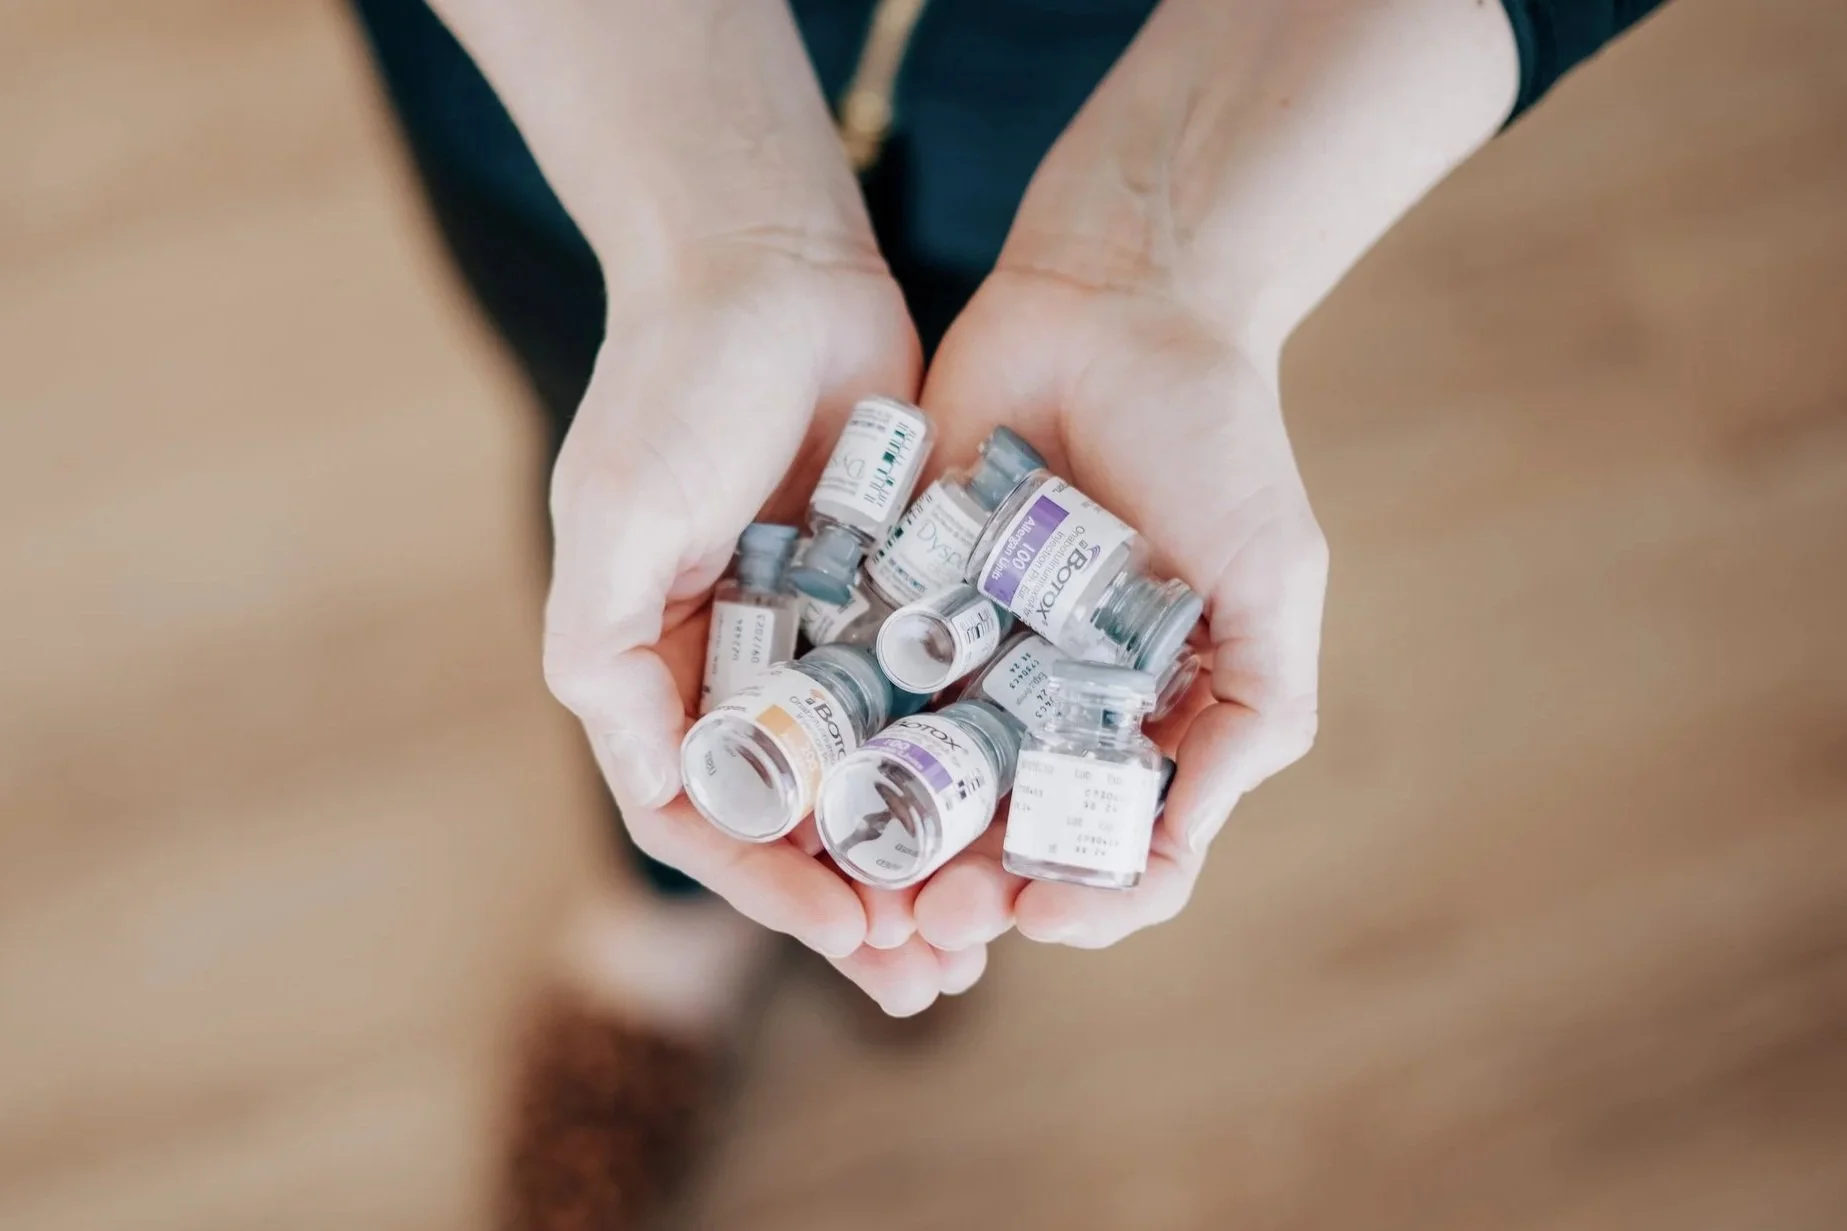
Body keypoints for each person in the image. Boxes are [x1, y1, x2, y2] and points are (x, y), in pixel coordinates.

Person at [349, 0, 1670, 1224]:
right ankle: (665, 915)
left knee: (706, 556)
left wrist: (1164, 260)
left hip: (1114, 80)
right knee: (653, 506)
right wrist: (711, 235)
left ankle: (779, 886)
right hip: (593, 82)